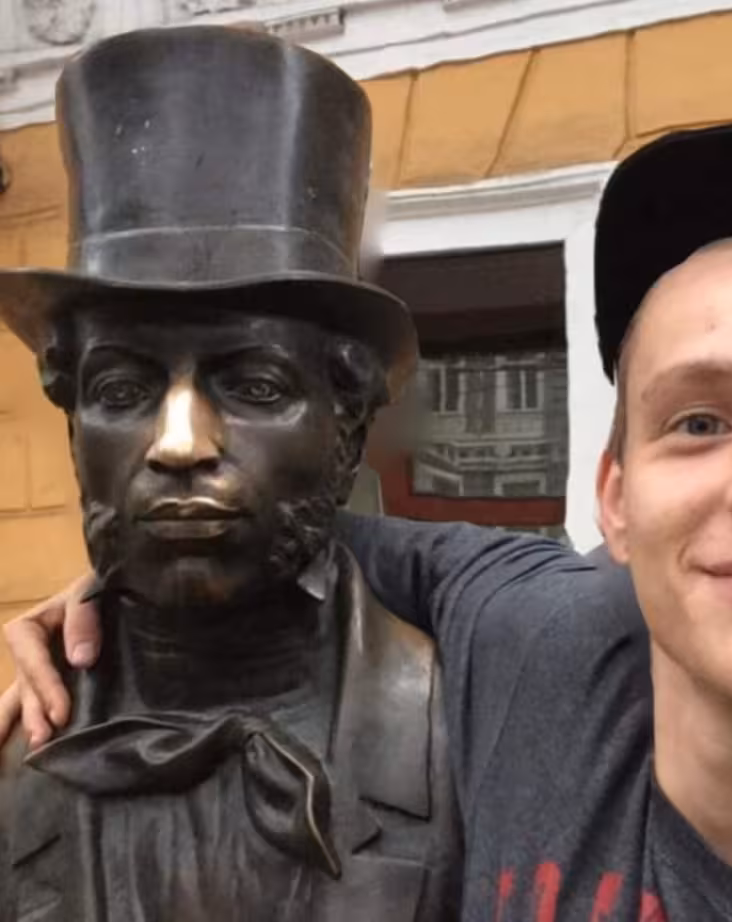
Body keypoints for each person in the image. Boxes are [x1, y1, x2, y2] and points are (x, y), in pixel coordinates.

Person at [6, 120, 732, 921]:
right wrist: (136, 573)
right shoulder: (537, 643)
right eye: (700, 420)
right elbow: (300, 527)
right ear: (616, 498)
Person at [0, 26, 461, 922]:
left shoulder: (464, 730)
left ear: (347, 425)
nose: (178, 444)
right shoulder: (20, 752)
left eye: (255, 386)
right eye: (122, 390)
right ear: (72, 420)